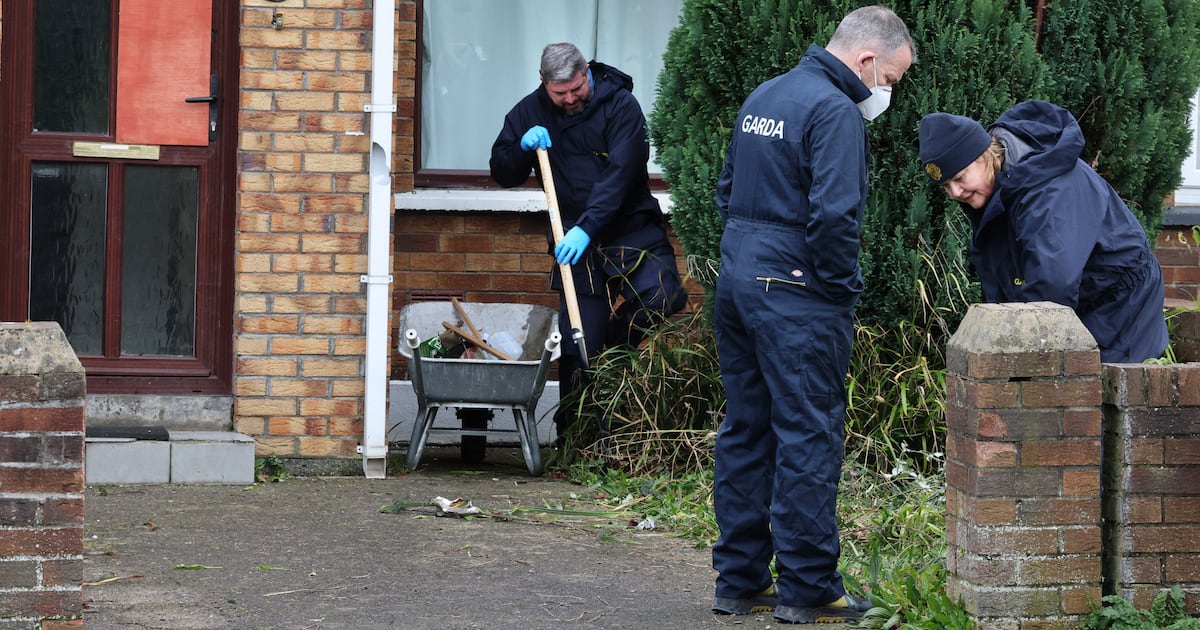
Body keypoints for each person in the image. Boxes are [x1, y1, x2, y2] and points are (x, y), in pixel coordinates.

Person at [710, 6, 915, 625]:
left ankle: (739, 581)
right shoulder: (834, 112)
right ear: (866, 61)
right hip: (798, 295)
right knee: (808, 433)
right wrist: (839, 288)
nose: (887, 92)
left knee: (747, 430)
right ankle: (808, 587)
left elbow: (725, 190)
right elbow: (835, 219)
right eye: (891, 80)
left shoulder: (765, 96)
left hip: (739, 280)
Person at [489, 42, 688, 440]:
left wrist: (588, 226)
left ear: (587, 74)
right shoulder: (532, 109)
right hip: (572, 238)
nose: (568, 100)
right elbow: (501, 170)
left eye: (575, 90)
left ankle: (613, 354)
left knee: (665, 294)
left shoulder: (621, 106)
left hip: (629, 226)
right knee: (580, 345)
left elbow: (620, 175)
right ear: (543, 82)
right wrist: (520, 148)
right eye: (558, 94)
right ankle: (577, 440)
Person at [918, 100, 1169, 363]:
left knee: (1100, 394)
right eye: (946, 186)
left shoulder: (1048, 191)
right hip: (1082, 302)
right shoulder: (998, 192)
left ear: (984, 157)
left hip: (1120, 307)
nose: (955, 193)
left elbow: (1051, 289)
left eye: (960, 178)